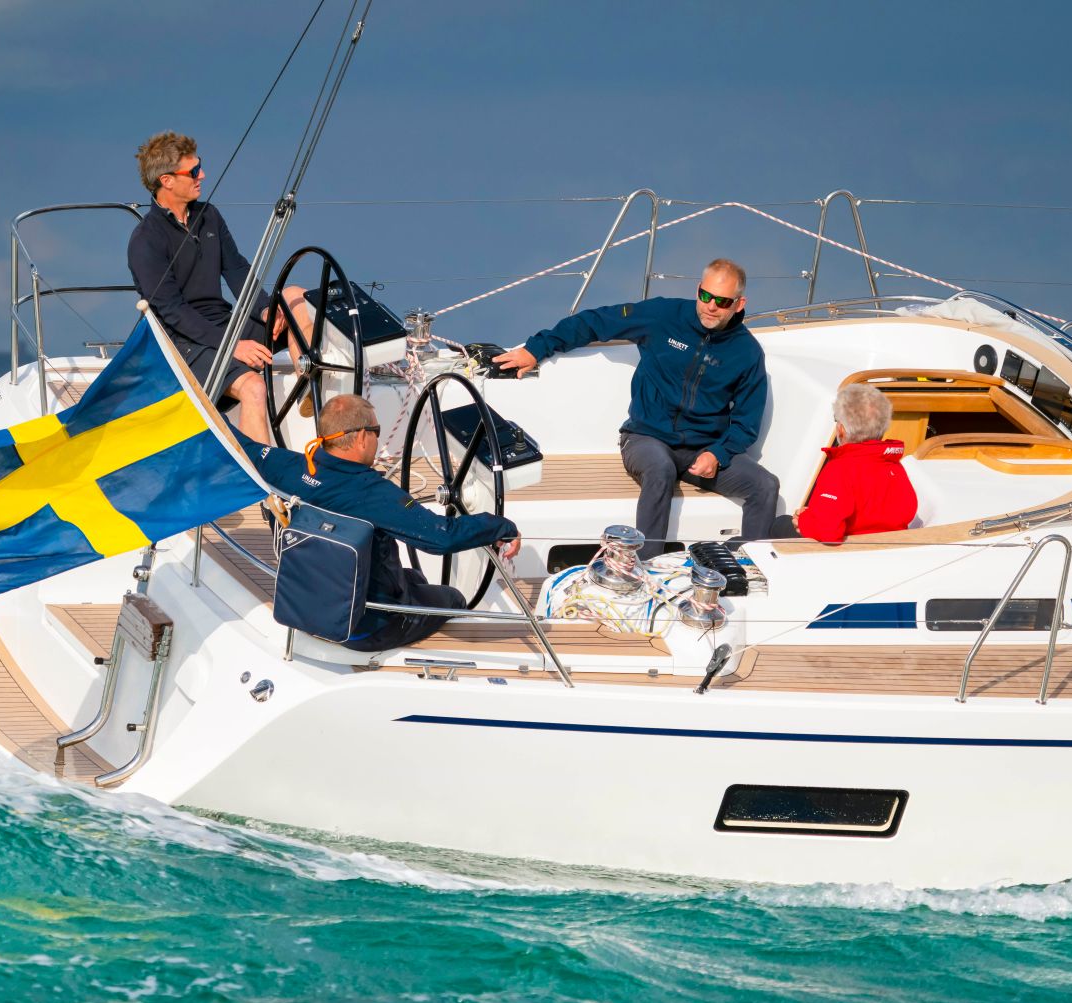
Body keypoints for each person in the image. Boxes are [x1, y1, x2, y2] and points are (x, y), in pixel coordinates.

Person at [491, 258, 778, 557]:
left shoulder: (747, 353)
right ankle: (647, 566)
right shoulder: (663, 315)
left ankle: (754, 567)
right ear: (698, 290)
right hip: (646, 438)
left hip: (702, 450)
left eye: (722, 301)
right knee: (660, 470)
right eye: (705, 296)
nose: (711, 306)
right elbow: (596, 322)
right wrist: (535, 349)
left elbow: (746, 424)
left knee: (766, 486)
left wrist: (717, 454)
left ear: (739, 304)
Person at [248, 395, 521, 652]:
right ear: (362, 437)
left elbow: (239, 447)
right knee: (453, 597)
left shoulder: (284, 465)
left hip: (303, 606)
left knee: (414, 578)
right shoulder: (374, 494)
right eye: (376, 431)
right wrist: (501, 527)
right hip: (366, 628)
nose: (377, 439)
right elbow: (442, 536)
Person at [127, 130, 312, 443]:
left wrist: (265, 309)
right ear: (167, 181)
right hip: (184, 344)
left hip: (224, 325)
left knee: (295, 297)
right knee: (254, 388)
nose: (202, 175)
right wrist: (232, 346)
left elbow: (236, 269)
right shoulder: (145, 239)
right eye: (194, 171)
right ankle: (259, 475)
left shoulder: (209, 216)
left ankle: (306, 385)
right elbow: (172, 311)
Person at [771, 383, 917, 542]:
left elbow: (827, 531)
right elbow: (907, 510)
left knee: (780, 525)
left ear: (841, 429)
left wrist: (804, 521)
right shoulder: (893, 464)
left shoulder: (839, 469)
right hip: (887, 545)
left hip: (850, 550)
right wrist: (813, 514)